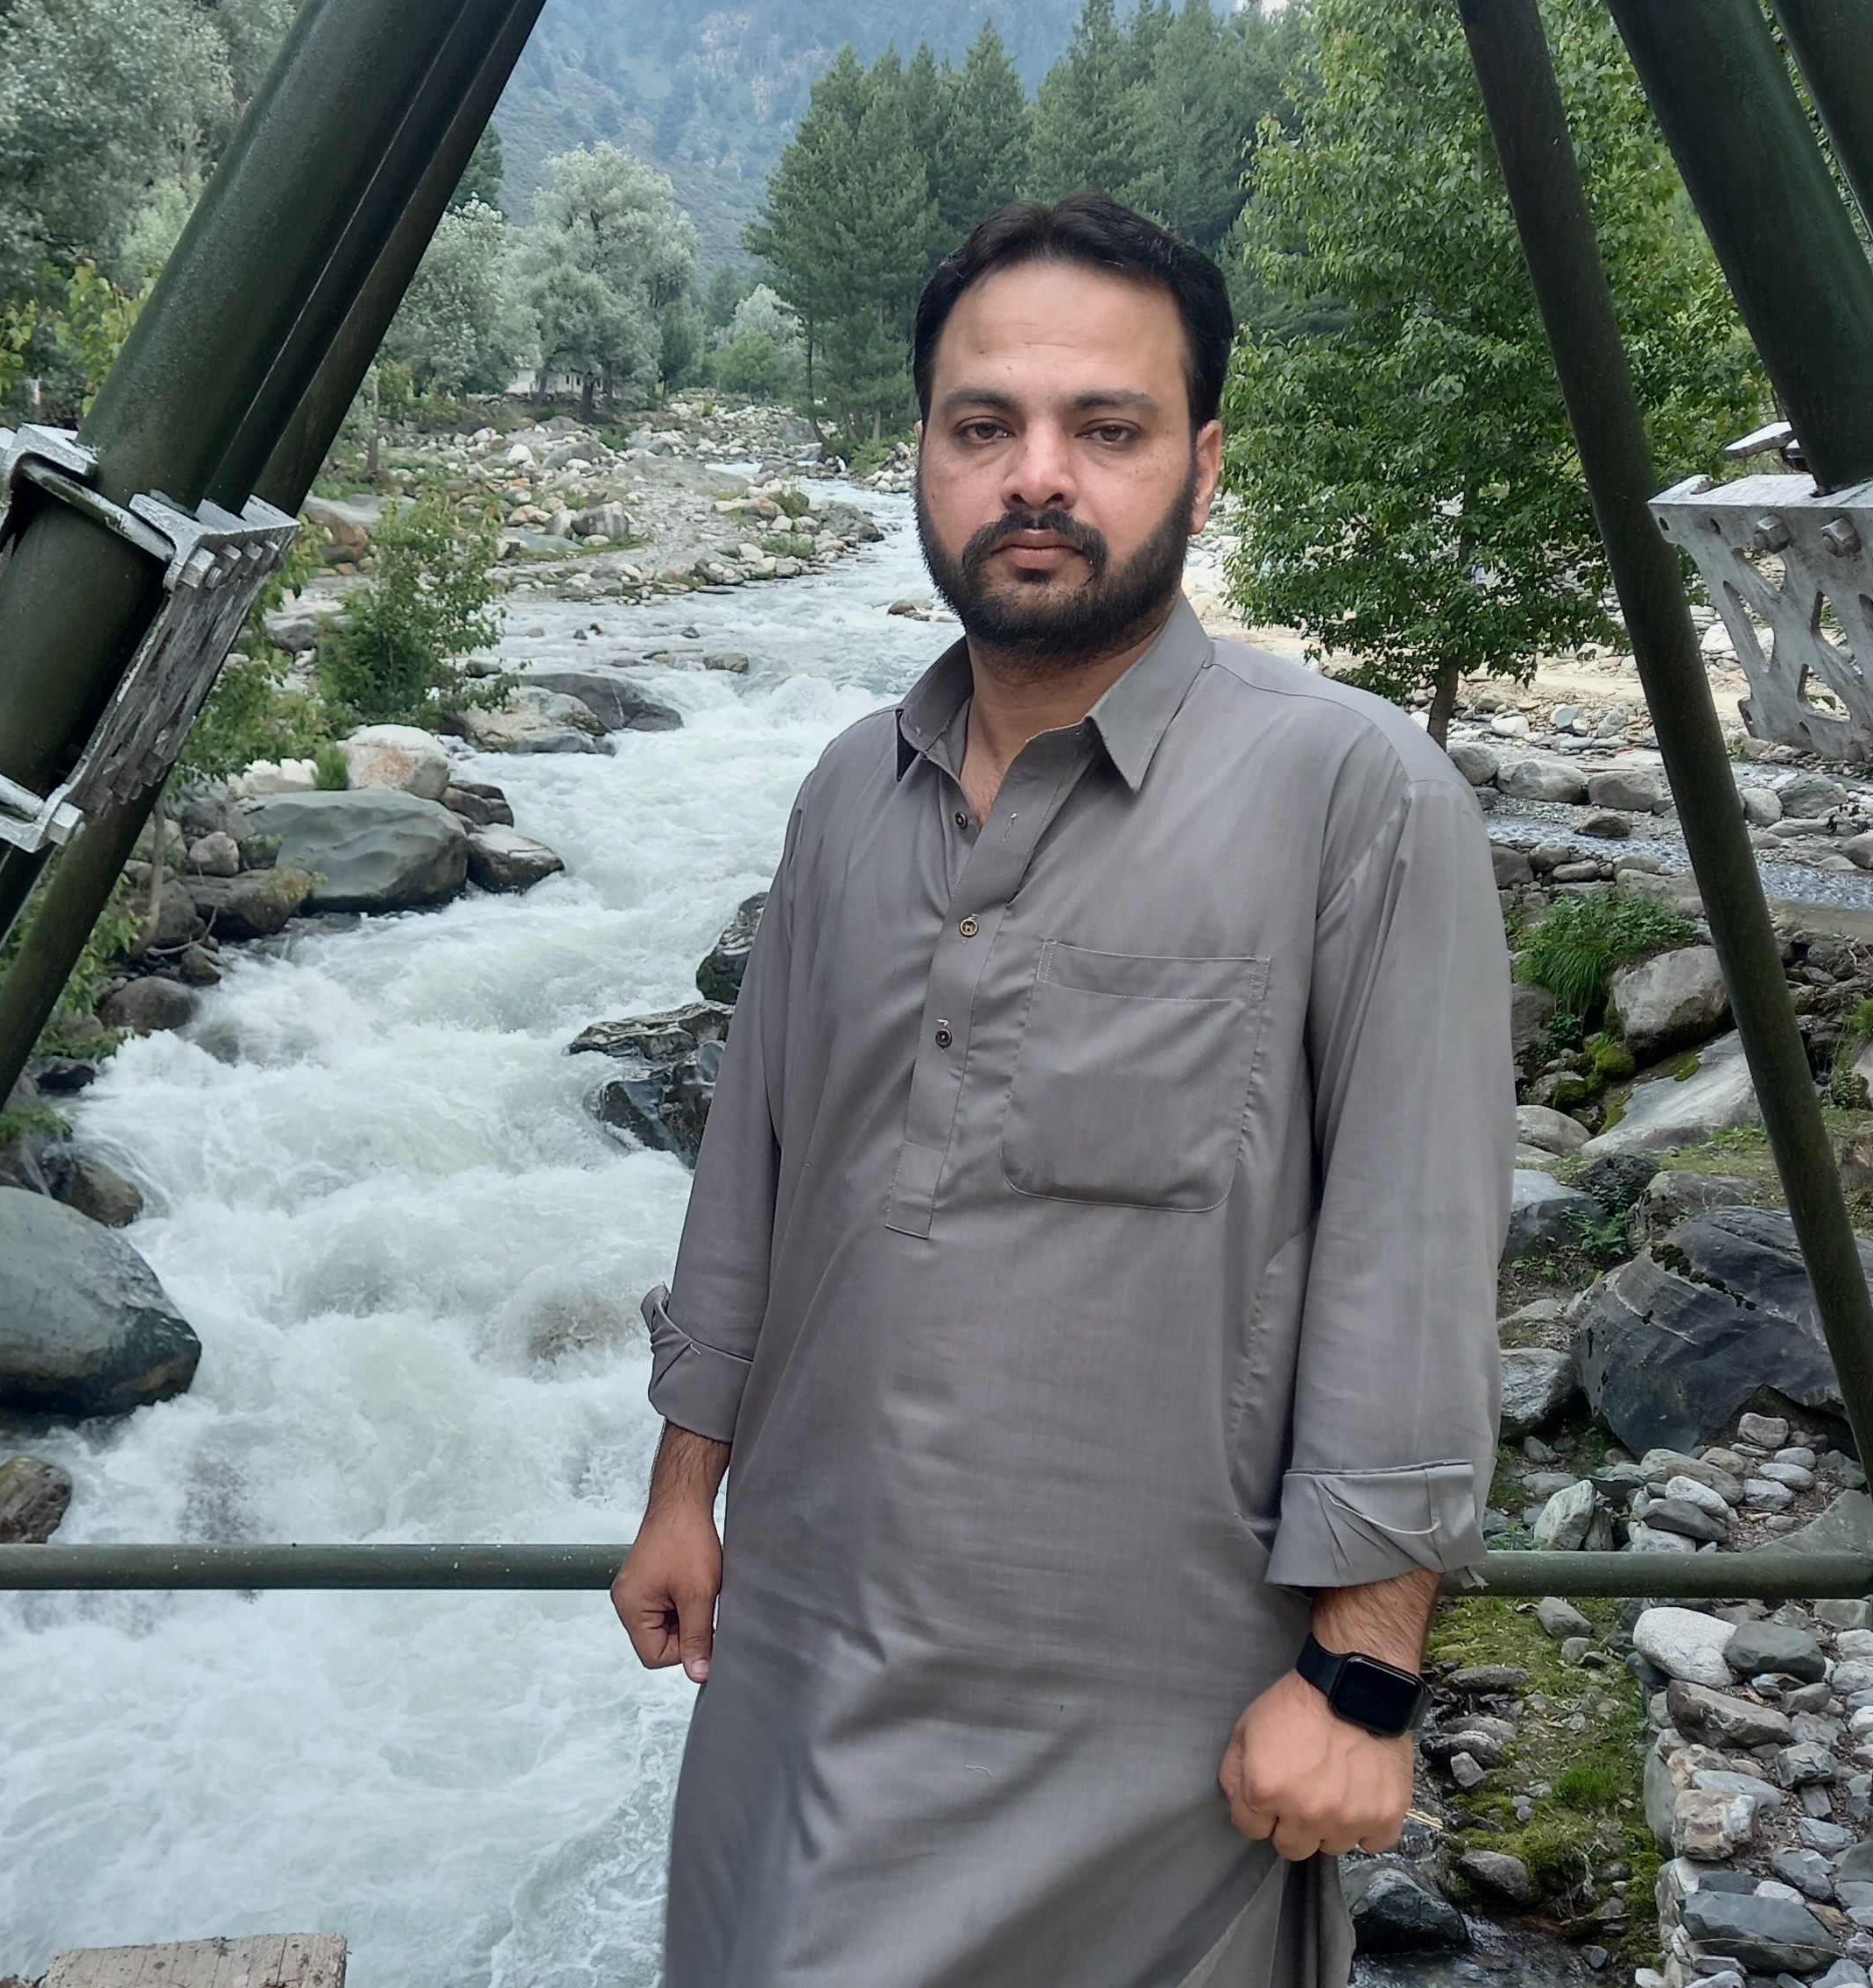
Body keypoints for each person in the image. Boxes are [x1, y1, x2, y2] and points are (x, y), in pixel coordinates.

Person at [612, 190, 1512, 1988]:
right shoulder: (846, 792)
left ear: (1202, 465)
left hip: (1149, 1727)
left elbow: (1412, 1255)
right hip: (797, 1652)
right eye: (985, 426)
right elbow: (757, 1169)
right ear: (922, 455)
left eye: (1107, 428)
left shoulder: (1357, 797)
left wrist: (1363, 1672)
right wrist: (681, 1485)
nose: (1039, 477)